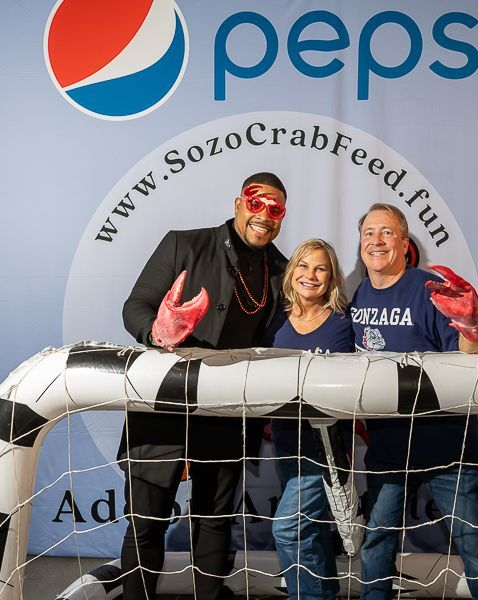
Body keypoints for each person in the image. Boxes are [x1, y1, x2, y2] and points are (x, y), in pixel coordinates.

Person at [118, 173, 289, 600]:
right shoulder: (184, 243)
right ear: (237, 203)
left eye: (276, 208)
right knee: (146, 524)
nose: (264, 214)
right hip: (163, 408)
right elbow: (134, 306)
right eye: (256, 202)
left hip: (226, 414)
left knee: (214, 525)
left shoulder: (283, 270)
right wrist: (158, 331)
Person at [350, 203, 478, 600]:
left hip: (447, 445)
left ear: (404, 244)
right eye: (369, 232)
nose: (377, 240)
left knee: (476, 549)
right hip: (387, 448)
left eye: (387, 232)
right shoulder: (358, 294)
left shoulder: (428, 289)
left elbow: (475, 355)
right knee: (377, 547)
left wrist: (472, 326)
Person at [269, 238, 355, 600]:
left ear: (332, 277)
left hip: (325, 451)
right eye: (303, 266)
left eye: (320, 268)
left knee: (289, 529)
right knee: (314, 530)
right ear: (292, 272)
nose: (310, 275)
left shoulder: (342, 324)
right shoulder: (274, 320)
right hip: (286, 443)